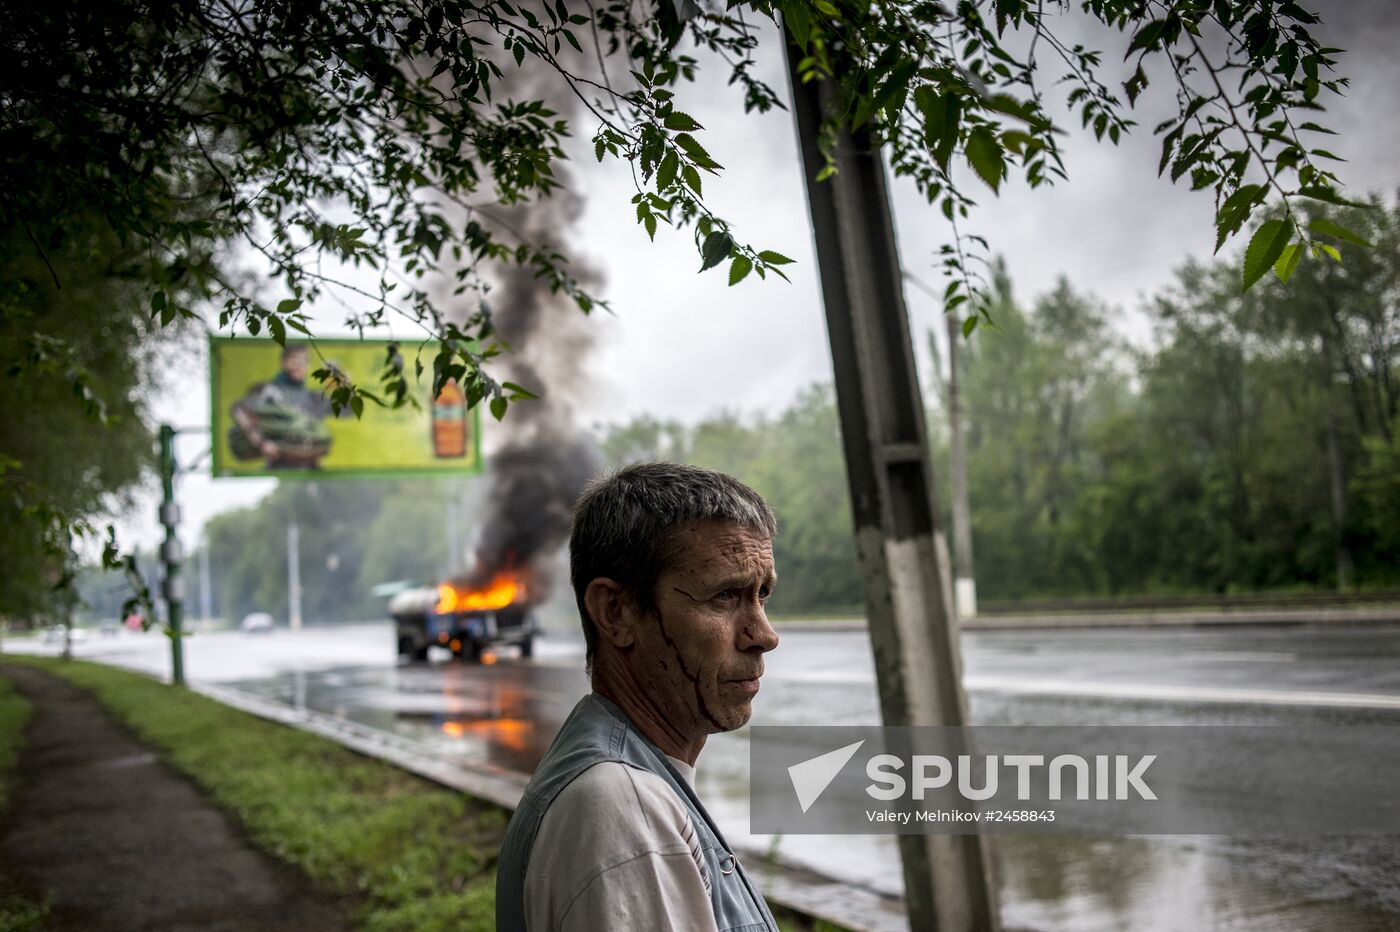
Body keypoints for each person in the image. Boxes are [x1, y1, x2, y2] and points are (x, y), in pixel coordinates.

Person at [497, 462, 782, 932]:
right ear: (616, 612)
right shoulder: (622, 809)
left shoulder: (632, 782)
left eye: (763, 594)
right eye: (725, 597)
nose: (763, 635)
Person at [229, 344, 334, 469]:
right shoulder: (269, 391)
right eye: (295, 360)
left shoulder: (312, 396)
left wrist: (345, 388)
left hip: (309, 469)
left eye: (304, 361)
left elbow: (346, 410)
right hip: (279, 467)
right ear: (284, 362)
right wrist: (260, 442)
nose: (300, 365)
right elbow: (239, 409)